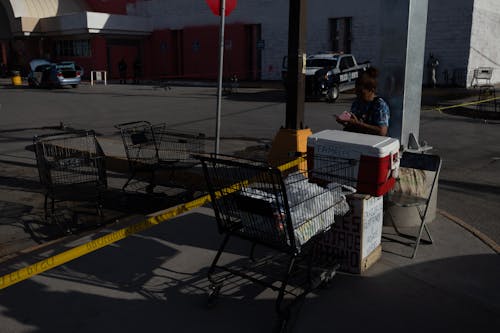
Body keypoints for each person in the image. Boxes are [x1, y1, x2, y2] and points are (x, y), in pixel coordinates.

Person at [336, 67, 389, 136]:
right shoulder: (357, 103)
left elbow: (382, 132)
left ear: (372, 90)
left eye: (361, 92)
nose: (357, 94)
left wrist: (358, 124)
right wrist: (346, 122)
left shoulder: (379, 105)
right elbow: (354, 125)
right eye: (356, 91)